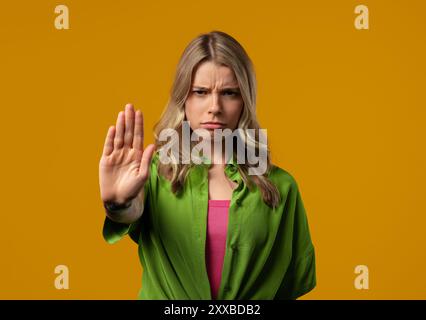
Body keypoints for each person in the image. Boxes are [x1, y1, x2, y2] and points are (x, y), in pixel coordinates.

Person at [98, 30, 316, 300]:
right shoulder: (152, 174)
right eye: (200, 92)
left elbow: (288, 284)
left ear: (244, 100)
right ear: (183, 99)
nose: (215, 106)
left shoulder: (282, 187)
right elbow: (129, 212)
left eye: (229, 93)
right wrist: (117, 204)